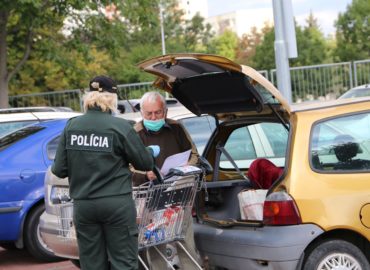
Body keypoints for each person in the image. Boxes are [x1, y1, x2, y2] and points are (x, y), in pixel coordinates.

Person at [52, 75, 157, 270]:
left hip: (84, 205)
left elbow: (59, 169)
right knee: (123, 262)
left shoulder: (72, 126)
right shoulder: (120, 127)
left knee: (92, 264)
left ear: (88, 96)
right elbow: (144, 162)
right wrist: (150, 152)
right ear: (112, 98)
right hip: (116, 204)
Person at [132, 91, 201, 270]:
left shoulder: (176, 128)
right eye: (149, 114)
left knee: (185, 243)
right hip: (150, 197)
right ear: (141, 113)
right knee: (156, 248)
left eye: (158, 113)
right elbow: (127, 167)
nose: (154, 117)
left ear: (165, 112)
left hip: (178, 193)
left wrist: (187, 166)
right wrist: (145, 174)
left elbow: (193, 153)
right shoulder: (135, 133)